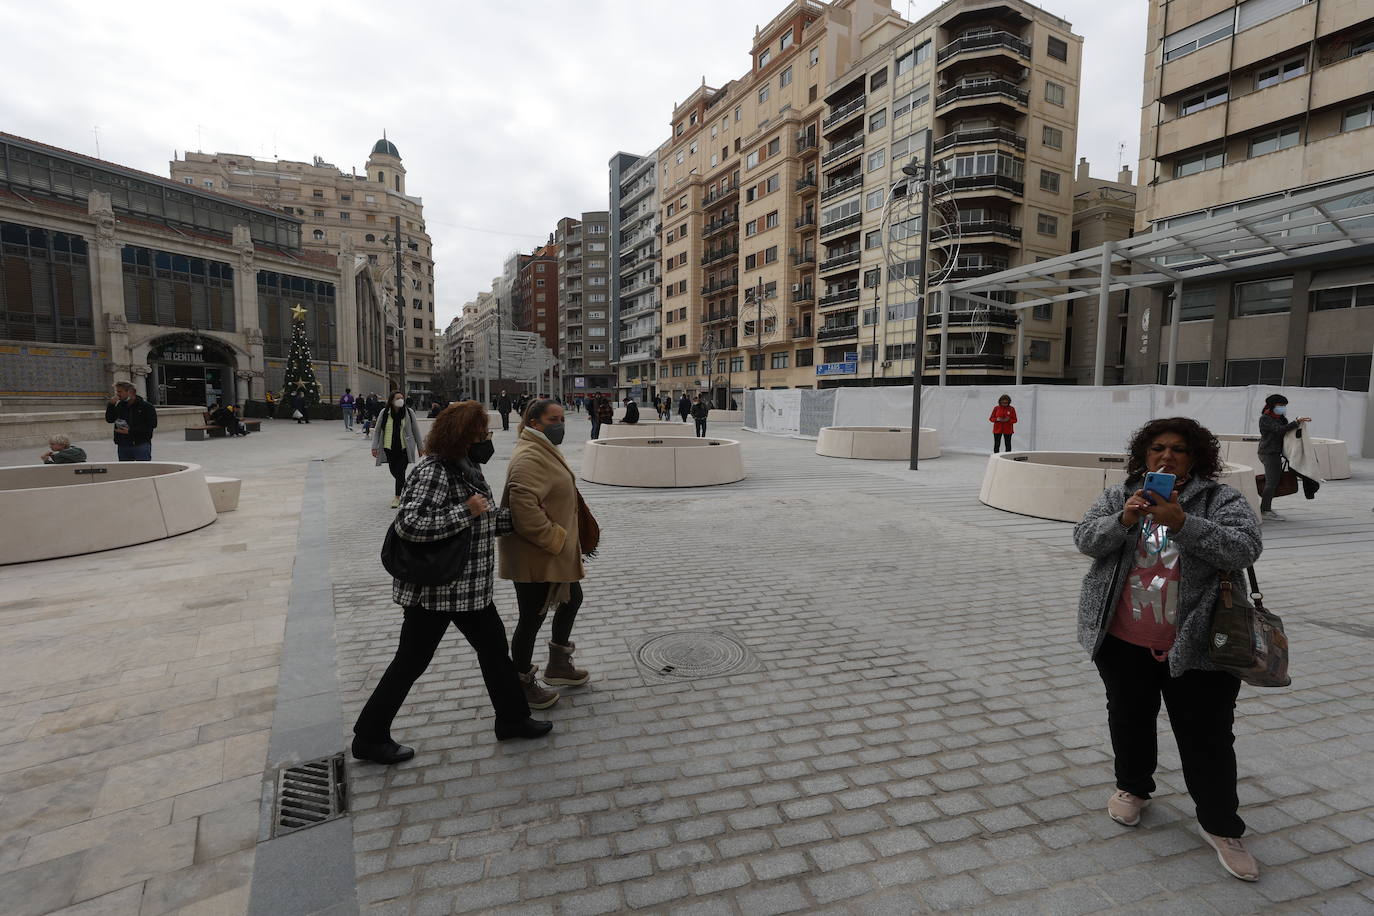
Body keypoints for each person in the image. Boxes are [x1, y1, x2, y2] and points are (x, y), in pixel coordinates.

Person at [1074, 417, 1263, 882]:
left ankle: (1221, 825)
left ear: (1195, 457)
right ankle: (1133, 787)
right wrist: (1123, 521)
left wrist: (1184, 523)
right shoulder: (1122, 496)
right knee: (1129, 716)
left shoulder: (1220, 500)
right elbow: (1084, 539)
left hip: (1199, 645)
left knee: (1208, 737)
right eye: (1158, 448)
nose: (1167, 457)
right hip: (1123, 639)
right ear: (1144, 455)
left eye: (1179, 449)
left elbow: (1244, 549)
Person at [352, 401, 551, 764]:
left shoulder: (466, 468)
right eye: (483, 434)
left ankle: (513, 719)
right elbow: (409, 525)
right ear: (463, 436)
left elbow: (484, 521)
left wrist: (528, 521)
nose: (487, 440)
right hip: (436, 592)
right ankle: (369, 736)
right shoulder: (434, 471)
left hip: (469, 591)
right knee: (411, 662)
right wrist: (465, 511)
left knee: (493, 652)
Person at [500, 399, 596, 710]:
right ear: (535, 422)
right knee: (532, 617)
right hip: (537, 555)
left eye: (562, 418)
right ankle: (521, 683)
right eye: (553, 419)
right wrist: (557, 541)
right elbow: (524, 511)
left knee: (572, 598)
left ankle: (558, 666)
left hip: (553, 553)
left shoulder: (542, 449)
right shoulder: (529, 456)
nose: (561, 424)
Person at [1256, 394, 1310, 522]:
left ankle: (1266, 507)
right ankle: (1265, 510)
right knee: (1271, 482)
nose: (1283, 408)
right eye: (1280, 405)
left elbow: (1287, 431)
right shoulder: (1265, 418)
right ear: (1272, 405)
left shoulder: (1281, 418)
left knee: (1273, 481)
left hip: (1275, 453)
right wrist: (1295, 422)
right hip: (1268, 453)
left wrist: (1298, 423)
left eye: (1284, 406)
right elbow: (1279, 430)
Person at [372, 391, 422, 508]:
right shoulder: (384, 413)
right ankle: (407, 489)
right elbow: (378, 430)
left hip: (405, 448)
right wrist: (374, 447)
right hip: (389, 448)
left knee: (400, 472)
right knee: (394, 471)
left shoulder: (409, 412)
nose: (401, 400)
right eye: (398, 398)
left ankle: (397, 497)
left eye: (402, 398)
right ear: (392, 400)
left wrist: (420, 447)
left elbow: (416, 430)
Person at [105, 382, 157, 461]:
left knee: (143, 470)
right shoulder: (120, 405)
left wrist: (130, 431)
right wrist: (111, 405)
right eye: (117, 392)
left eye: (119, 392)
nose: (117, 394)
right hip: (123, 444)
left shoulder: (146, 406)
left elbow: (152, 424)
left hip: (140, 444)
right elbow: (110, 419)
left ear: (130, 392)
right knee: (126, 471)